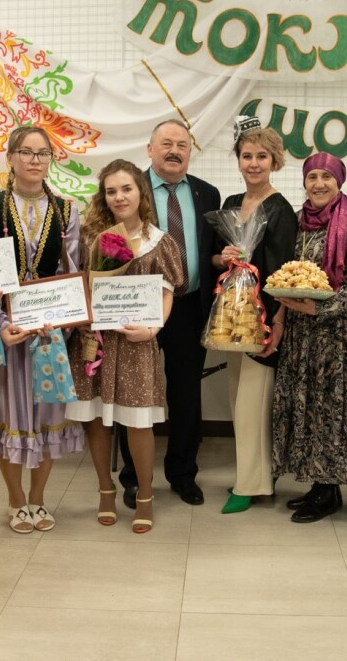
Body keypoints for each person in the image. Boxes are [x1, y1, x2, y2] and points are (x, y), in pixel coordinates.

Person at [67, 159, 185, 533]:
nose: (119, 197)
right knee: (96, 420)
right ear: (103, 197)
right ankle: (105, 490)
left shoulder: (160, 241)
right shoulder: (91, 238)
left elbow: (166, 292)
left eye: (126, 189)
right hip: (95, 341)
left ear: (140, 192)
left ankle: (145, 495)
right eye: (111, 191)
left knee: (138, 423)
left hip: (137, 342)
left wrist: (153, 329)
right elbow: (79, 284)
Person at [0, 126, 85, 534]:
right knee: (9, 414)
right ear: (10, 158)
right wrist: (0, 324)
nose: (35, 160)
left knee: (47, 415)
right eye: (26, 152)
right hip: (8, 330)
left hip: (48, 329)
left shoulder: (67, 211)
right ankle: (15, 499)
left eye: (43, 153)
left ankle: (38, 498)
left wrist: (61, 319)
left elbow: (70, 270)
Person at [117, 119, 220, 509]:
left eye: (182, 145)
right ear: (150, 149)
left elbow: (211, 250)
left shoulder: (208, 193)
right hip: (139, 306)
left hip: (189, 306)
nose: (174, 151)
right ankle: (132, 478)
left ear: (190, 152)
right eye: (166, 144)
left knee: (186, 393)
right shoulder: (130, 190)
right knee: (134, 393)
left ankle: (183, 474)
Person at [271, 153, 347, 522]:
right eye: (312, 177)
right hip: (301, 335)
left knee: (333, 410)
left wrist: (319, 309)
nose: (318, 184)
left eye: (326, 177)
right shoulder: (298, 221)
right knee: (307, 407)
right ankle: (316, 485)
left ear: (339, 181)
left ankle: (329, 491)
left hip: (338, 337)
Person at [212, 119, 297, 514]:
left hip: (262, 318)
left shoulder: (281, 210)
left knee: (253, 404)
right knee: (238, 400)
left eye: (262, 156)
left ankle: (249, 485)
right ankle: (257, 477)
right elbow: (215, 259)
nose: (254, 163)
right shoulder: (231, 204)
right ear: (238, 160)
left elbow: (283, 272)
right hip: (231, 317)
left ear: (274, 161)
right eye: (247, 156)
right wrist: (222, 258)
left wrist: (277, 322)